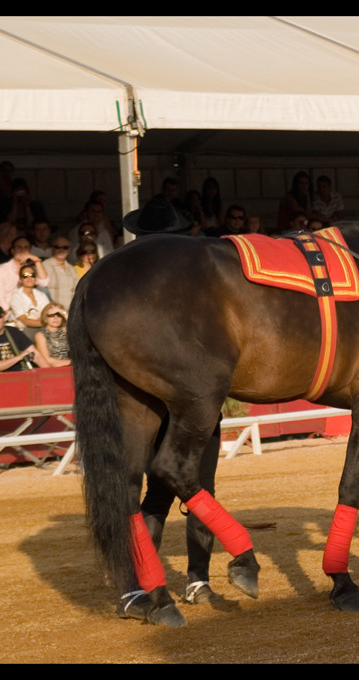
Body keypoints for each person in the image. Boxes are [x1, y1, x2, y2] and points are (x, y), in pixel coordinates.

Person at [117, 194, 223, 620]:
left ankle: (142, 581)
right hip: (197, 398)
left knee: (155, 496)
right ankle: (197, 577)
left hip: (154, 400)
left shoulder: (129, 281)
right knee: (198, 489)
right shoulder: (198, 283)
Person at [0, 304, 48, 373]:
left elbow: (36, 355)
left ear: (4, 317)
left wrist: (50, 374)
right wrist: (20, 357)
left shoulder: (14, 332)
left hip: (18, 375)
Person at [0, 236, 49, 311]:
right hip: (8, 310)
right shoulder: (1, 270)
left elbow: (44, 283)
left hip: (28, 308)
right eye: (19, 247)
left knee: (44, 291)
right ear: (12, 251)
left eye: (26, 248)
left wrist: (36, 260)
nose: (22, 250)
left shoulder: (30, 269)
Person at [8, 263, 51, 342]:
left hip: (44, 327)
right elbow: (25, 321)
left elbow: (49, 313)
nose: (29, 278)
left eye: (32, 275)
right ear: (20, 280)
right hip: (24, 330)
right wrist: (47, 323)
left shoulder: (41, 294)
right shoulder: (16, 296)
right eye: (25, 276)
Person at [42, 237, 80, 311]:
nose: (61, 250)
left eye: (65, 247)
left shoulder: (72, 269)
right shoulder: (44, 266)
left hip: (69, 314)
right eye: (58, 247)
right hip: (52, 314)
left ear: (69, 250)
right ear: (52, 249)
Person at [33, 303, 70, 367]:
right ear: (45, 318)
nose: (56, 318)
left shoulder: (65, 330)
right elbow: (48, 360)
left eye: (59, 315)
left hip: (72, 366)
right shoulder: (40, 335)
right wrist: (73, 362)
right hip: (53, 368)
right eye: (52, 315)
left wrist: (63, 312)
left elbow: (76, 325)